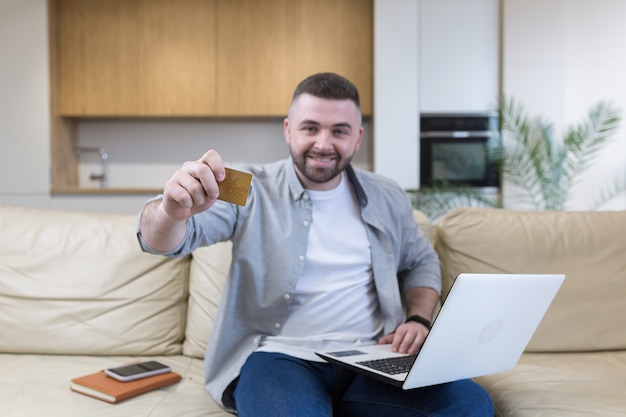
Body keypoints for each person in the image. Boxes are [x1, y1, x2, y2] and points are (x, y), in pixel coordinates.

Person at [137, 72, 493, 416]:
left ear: (357, 138)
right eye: (310, 128)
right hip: (278, 358)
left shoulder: (386, 194)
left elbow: (421, 262)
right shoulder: (247, 185)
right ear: (289, 131)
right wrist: (171, 210)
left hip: (372, 360)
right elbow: (163, 242)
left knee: (470, 404)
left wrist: (418, 319)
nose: (323, 144)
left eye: (339, 131)